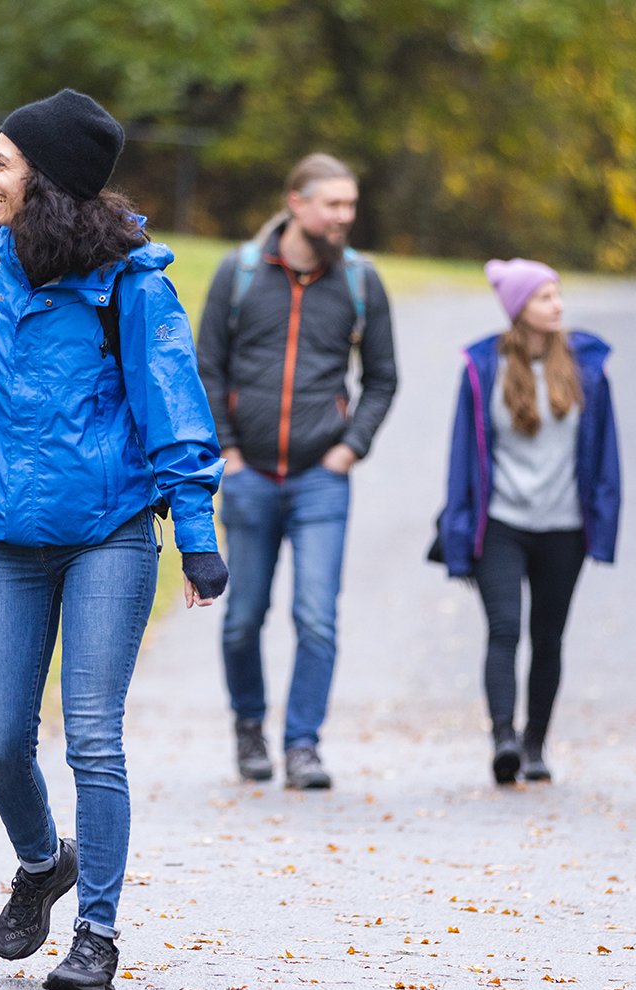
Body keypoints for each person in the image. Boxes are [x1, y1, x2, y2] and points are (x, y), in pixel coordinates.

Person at [0, 89, 226, 990]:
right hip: (1, 538)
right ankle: (42, 863)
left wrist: (196, 536)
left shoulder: (135, 285)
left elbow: (176, 413)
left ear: (48, 180)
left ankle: (97, 936)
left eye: (3, 161)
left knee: (94, 740)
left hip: (108, 537)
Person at [195, 153, 399, 790]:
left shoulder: (361, 282)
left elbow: (383, 379)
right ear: (296, 202)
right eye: (333, 204)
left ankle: (303, 744)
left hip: (320, 480)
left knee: (316, 617)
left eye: (350, 206)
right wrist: (227, 453)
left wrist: (349, 449)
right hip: (249, 475)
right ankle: (249, 728)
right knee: (241, 619)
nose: (344, 216)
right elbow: (206, 369)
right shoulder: (241, 273)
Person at [436, 260, 620, 785]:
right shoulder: (483, 368)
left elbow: (605, 453)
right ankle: (504, 740)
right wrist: (458, 531)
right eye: (544, 298)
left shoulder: (587, 368)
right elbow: (461, 458)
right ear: (519, 309)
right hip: (501, 523)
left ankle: (536, 743)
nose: (557, 306)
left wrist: (603, 525)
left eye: (558, 295)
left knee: (549, 635)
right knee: (504, 628)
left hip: (564, 526)